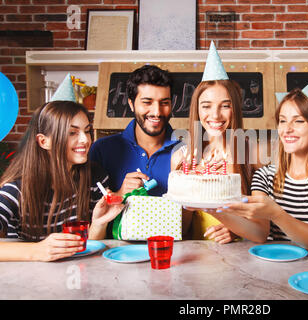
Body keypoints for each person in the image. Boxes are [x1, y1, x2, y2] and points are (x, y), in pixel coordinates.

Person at [212, 85, 308, 252]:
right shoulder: (264, 176)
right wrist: (215, 210)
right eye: (283, 121)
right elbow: (259, 234)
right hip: (276, 265)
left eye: (298, 121)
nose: (287, 129)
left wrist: (276, 213)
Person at [0, 101, 123, 261]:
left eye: (87, 131)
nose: (85, 140)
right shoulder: (16, 188)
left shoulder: (96, 177)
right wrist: (37, 250)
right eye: (72, 133)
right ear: (44, 141)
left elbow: (87, 248)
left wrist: (99, 223)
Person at [171, 42, 263, 243]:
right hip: (197, 255)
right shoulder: (182, 157)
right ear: (197, 110)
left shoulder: (253, 152)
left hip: (243, 254)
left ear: (235, 109)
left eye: (225, 106)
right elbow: (183, 229)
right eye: (206, 106)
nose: (215, 115)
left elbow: (264, 222)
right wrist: (190, 191)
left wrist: (237, 229)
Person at [89, 65, 180, 198]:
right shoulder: (101, 149)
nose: (157, 112)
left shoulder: (185, 151)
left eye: (164, 103)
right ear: (131, 104)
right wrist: (119, 195)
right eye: (147, 102)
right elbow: (90, 212)